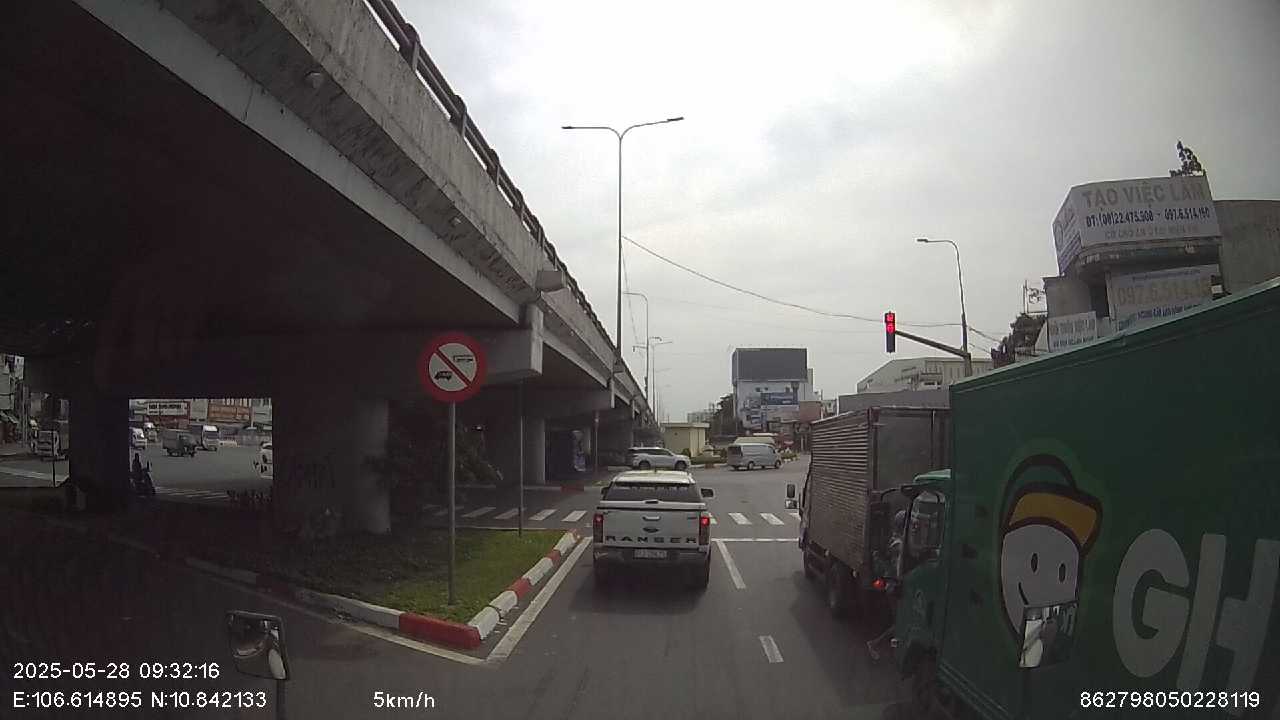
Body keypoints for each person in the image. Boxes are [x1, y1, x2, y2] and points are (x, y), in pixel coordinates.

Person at [867, 509, 908, 661]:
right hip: (894, 587)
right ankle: (875, 644)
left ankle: (889, 647)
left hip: (892, 586)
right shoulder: (899, 544)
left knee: (899, 622)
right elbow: (898, 569)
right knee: (900, 623)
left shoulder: (895, 540)